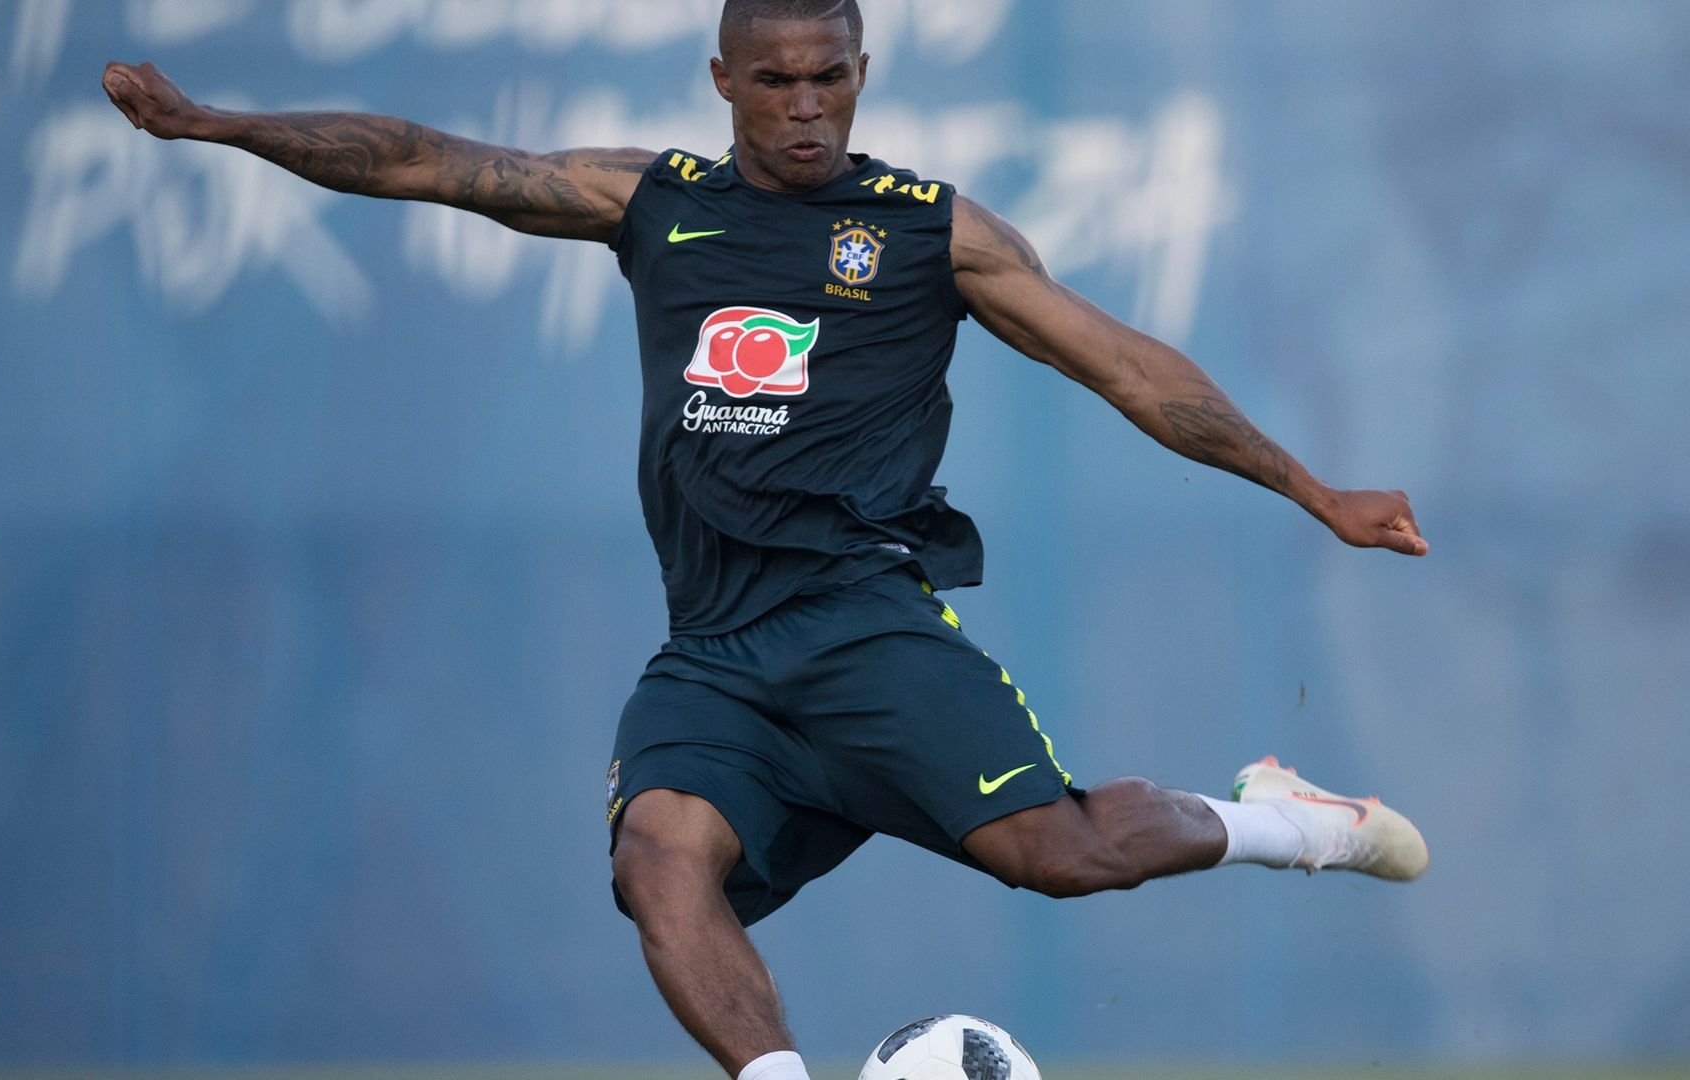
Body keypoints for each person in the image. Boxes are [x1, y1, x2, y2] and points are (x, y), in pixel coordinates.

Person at [103, 2, 1430, 1078]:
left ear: (863, 75)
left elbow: (1133, 370)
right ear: (724, 80)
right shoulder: (652, 200)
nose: (806, 106)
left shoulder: (933, 232)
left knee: (1063, 855)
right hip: (714, 654)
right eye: (778, 81)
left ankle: (1283, 823)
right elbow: (422, 160)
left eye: (829, 79)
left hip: (864, 628)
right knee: (657, 859)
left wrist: (1312, 490)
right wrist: (219, 125)